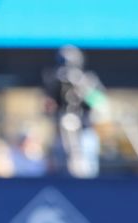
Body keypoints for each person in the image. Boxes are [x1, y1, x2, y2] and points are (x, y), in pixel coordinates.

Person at [43, 45, 108, 178]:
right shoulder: (55, 80)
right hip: (62, 132)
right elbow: (47, 107)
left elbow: (101, 103)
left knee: (86, 167)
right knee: (61, 165)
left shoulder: (89, 79)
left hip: (85, 131)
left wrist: (82, 86)